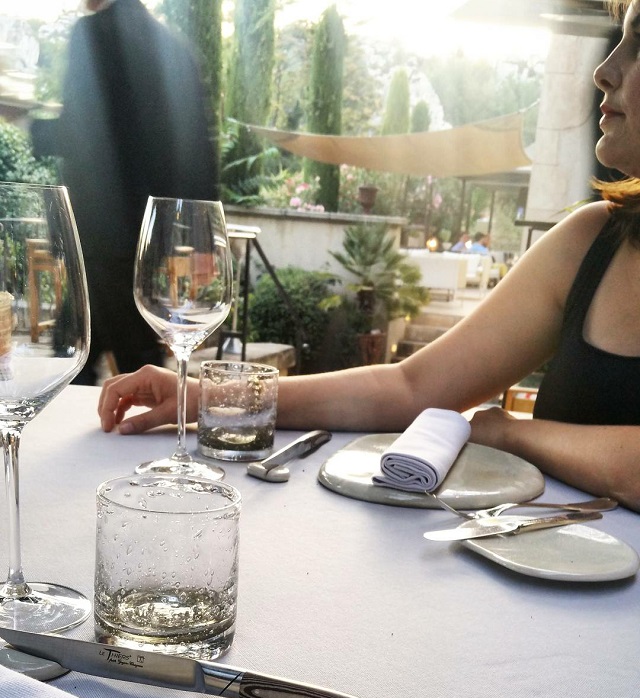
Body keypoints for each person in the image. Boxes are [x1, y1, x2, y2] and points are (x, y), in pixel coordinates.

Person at [97, 0, 640, 512]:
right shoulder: (590, 242)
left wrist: (517, 434)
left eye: (639, 42)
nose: (606, 70)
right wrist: (211, 395)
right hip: (548, 589)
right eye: (618, 39)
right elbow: (411, 388)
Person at [31, 0, 219, 384]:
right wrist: (203, 240)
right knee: (85, 345)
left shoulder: (91, 35)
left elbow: (81, 132)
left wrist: (31, 127)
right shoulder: (173, 48)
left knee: (102, 351)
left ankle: (155, 427)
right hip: (146, 233)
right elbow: (197, 149)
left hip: (96, 230)